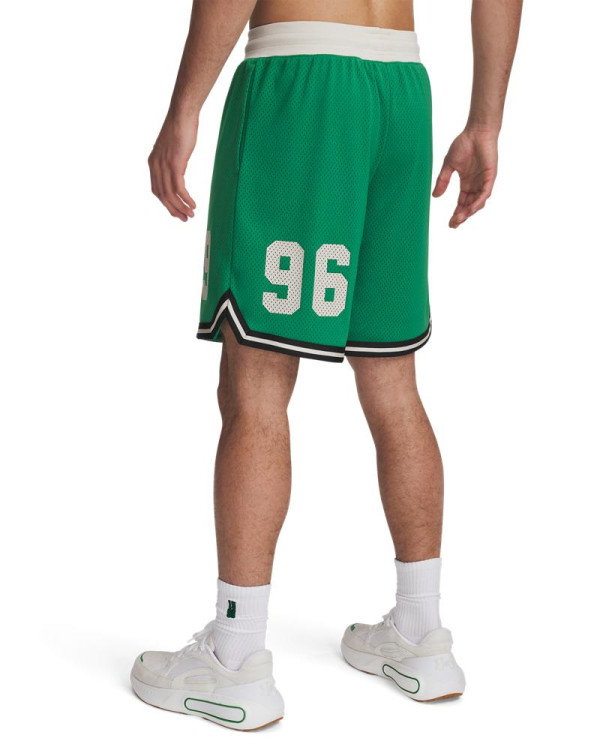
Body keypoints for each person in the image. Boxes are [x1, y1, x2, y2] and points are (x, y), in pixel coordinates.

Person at [131, 0, 522, 730]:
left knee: (254, 384)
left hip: (301, 77)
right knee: (392, 379)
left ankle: (235, 657)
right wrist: (486, 120)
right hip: (401, 88)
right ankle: (421, 632)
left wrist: (185, 107)